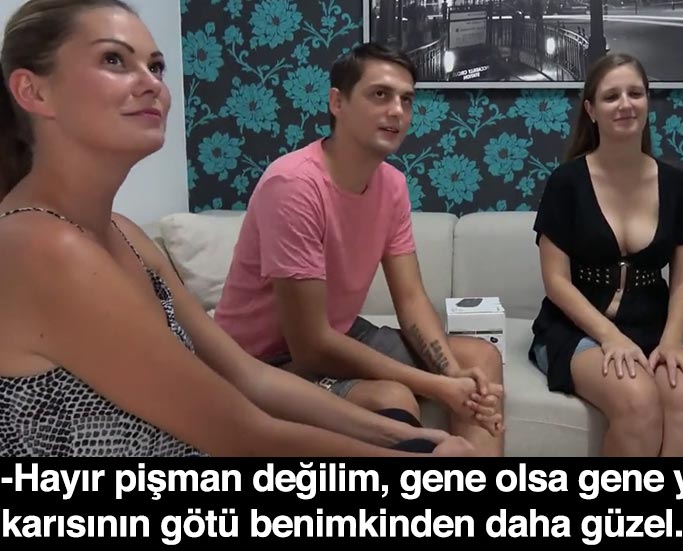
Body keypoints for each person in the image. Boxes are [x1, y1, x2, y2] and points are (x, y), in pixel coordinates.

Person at [0, 0, 476, 457]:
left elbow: (250, 378)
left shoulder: (125, 234)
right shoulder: (42, 247)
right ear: (33, 91)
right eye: (113, 60)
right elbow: (242, 433)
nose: (152, 84)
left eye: (156, 67)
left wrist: (410, 439)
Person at [213, 43, 506, 456]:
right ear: (338, 102)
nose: (397, 111)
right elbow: (311, 344)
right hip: (263, 361)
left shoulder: (392, 185)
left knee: (480, 358)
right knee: (392, 396)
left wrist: (455, 374)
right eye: (380, 94)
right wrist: (439, 386)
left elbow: (410, 298)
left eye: (406, 100)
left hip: (340, 333)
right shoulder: (294, 185)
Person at [527, 53, 683, 457]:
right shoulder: (566, 181)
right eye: (611, 96)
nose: (626, 104)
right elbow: (556, 281)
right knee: (638, 399)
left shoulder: (677, 185)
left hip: (654, 326)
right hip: (576, 329)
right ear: (591, 110)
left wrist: (673, 342)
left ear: (647, 101)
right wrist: (611, 338)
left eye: (635, 93)